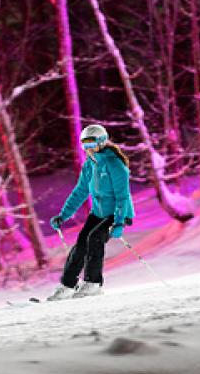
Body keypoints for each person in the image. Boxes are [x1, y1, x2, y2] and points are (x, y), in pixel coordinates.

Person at [48, 124, 135, 300]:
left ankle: (93, 283)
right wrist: (63, 215)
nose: (88, 149)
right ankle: (67, 285)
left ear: (102, 142)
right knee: (81, 244)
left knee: (94, 238)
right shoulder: (90, 165)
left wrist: (119, 222)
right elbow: (80, 192)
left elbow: (122, 196)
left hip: (117, 212)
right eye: (84, 145)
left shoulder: (114, 164)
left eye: (91, 144)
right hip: (98, 213)